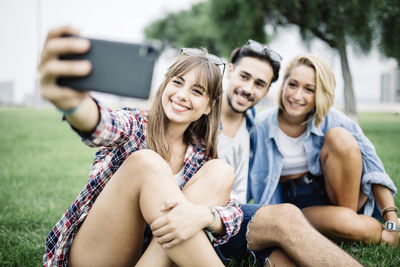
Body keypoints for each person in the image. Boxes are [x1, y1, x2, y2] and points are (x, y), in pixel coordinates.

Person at [38, 26, 243, 266]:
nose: (182, 95)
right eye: (177, 82)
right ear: (165, 85)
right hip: (97, 252)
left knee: (221, 171)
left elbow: (235, 213)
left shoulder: (199, 155)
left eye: (197, 91)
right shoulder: (135, 124)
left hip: (147, 258)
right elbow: (102, 124)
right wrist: (73, 105)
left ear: (209, 106)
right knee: (147, 162)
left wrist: (204, 215)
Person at [217, 41, 362, 266]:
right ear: (231, 70)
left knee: (290, 255)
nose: (248, 89)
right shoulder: (201, 114)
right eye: (244, 77)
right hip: (212, 218)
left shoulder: (252, 127)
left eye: (259, 84)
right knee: (286, 216)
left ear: (267, 91)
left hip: (240, 222)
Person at [250, 53, 399, 247]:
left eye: (309, 89)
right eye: (293, 84)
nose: (296, 96)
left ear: (319, 94)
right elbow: (243, 174)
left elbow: (373, 166)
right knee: (349, 224)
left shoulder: (333, 118)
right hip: (299, 203)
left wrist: (391, 218)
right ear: (283, 84)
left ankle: (351, 222)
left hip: (339, 191)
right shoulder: (260, 126)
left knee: (340, 137)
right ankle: (352, 227)